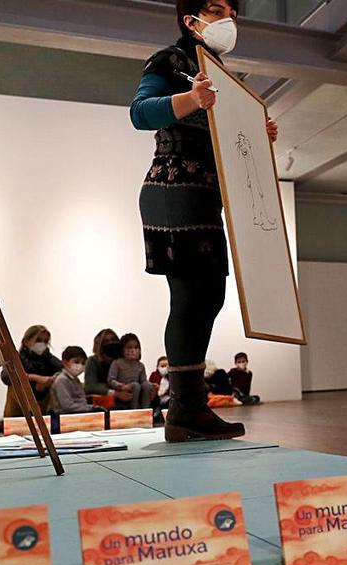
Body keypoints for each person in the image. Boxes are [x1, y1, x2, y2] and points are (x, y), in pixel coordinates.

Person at [130, 0, 278, 442]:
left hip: (204, 195)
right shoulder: (170, 61)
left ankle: (188, 410)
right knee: (192, 296)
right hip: (173, 189)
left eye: (232, 11)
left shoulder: (226, 78)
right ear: (190, 19)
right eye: (216, 9)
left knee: (208, 295)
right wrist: (191, 98)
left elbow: (230, 142)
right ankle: (185, 411)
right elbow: (140, 112)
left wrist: (257, 132)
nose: (227, 20)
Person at [2, 325, 62, 416]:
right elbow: (6, 376)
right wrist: (34, 378)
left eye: (45, 341)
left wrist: (48, 382)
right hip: (20, 406)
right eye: (38, 340)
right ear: (26, 341)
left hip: (42, 400)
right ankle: (33, 411)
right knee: (15, 385)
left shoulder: (48, 358)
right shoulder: (16, 357)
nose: (42, 344)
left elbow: (64, 370)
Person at [85, 329, 133, 407]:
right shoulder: (93, 361)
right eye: (106, 341)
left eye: (113, 340)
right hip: (103, 403)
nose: (111, 343)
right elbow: (90, 387)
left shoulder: (124, 360)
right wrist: (115, 393)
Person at [108, 333, 154, 409]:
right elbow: (111, 380)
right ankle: (133, 408)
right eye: (129, 348)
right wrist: (121, 386)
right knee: (135, 385)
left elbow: (143, 381)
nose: (133, 350)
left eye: (136, 348)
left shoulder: (140, 365)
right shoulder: (117, 363)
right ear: (122, 350)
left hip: (137, 390)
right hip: (123, 391)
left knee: (146, 385)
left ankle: (146, 409)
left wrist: (152, 385)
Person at [51, 346, 102, 414]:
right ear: (65, 362)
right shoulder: (62, 380)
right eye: (76, 362)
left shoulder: (75, 379)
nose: (80, 366)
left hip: (79, 412)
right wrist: (89, 408)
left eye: (83, 363)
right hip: (65, 416)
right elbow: (67, 406)